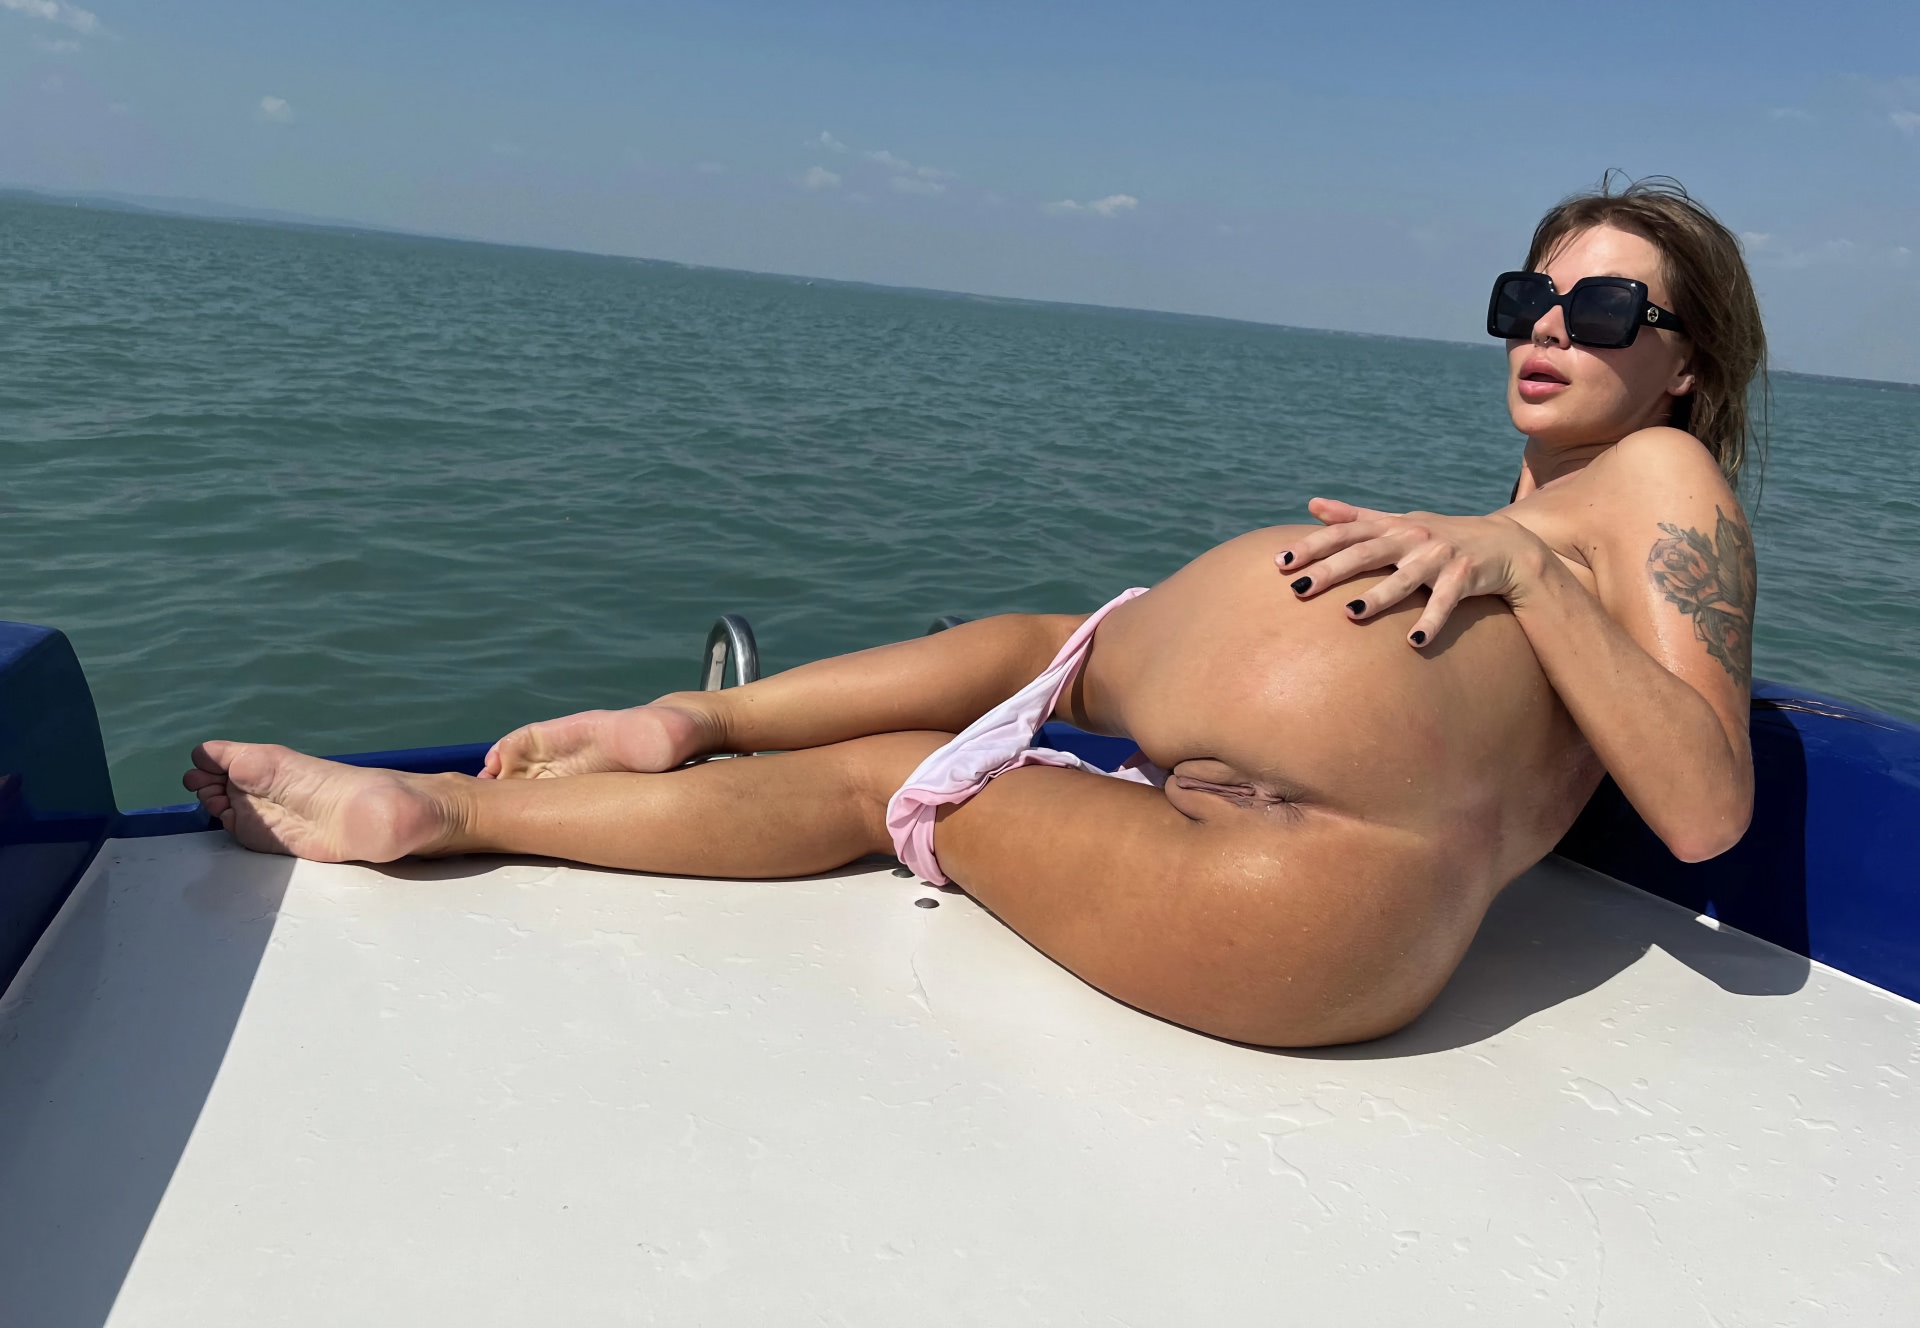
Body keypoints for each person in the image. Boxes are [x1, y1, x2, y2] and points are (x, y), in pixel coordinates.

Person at [185, 176, 1764, 1048]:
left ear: (1686, 361)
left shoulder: (1660, 478)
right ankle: (679, 721)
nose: (1552, 326)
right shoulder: (1540, 515)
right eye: (1529, 297)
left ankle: (446, 814)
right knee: (1025, 657)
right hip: (1253, 843)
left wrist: (1527, 573)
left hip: (1325, 900)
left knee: (900, 770)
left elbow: (1704, 810)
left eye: (1605, 307)